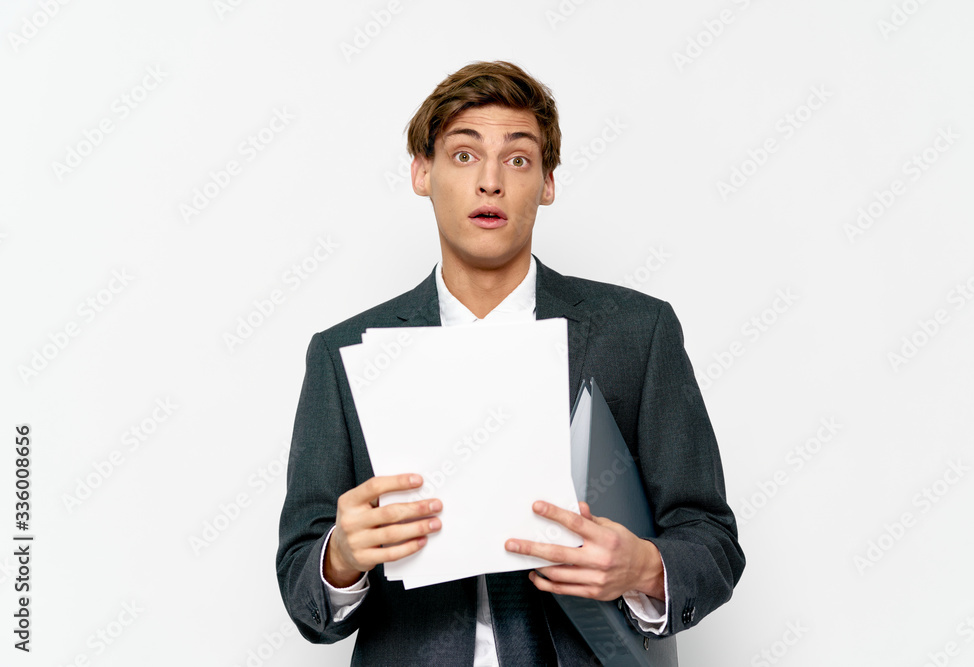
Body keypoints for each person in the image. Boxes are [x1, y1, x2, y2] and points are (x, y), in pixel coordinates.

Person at [276, 60, 744, 665]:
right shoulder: (344, 354)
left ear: (547, 182)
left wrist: (645, 568)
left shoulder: (638, 332)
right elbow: (299, 580)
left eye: (518, 159)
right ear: (422, 172)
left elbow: (711, 539)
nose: (490, 181)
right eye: (464, 155)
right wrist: (339, 558)